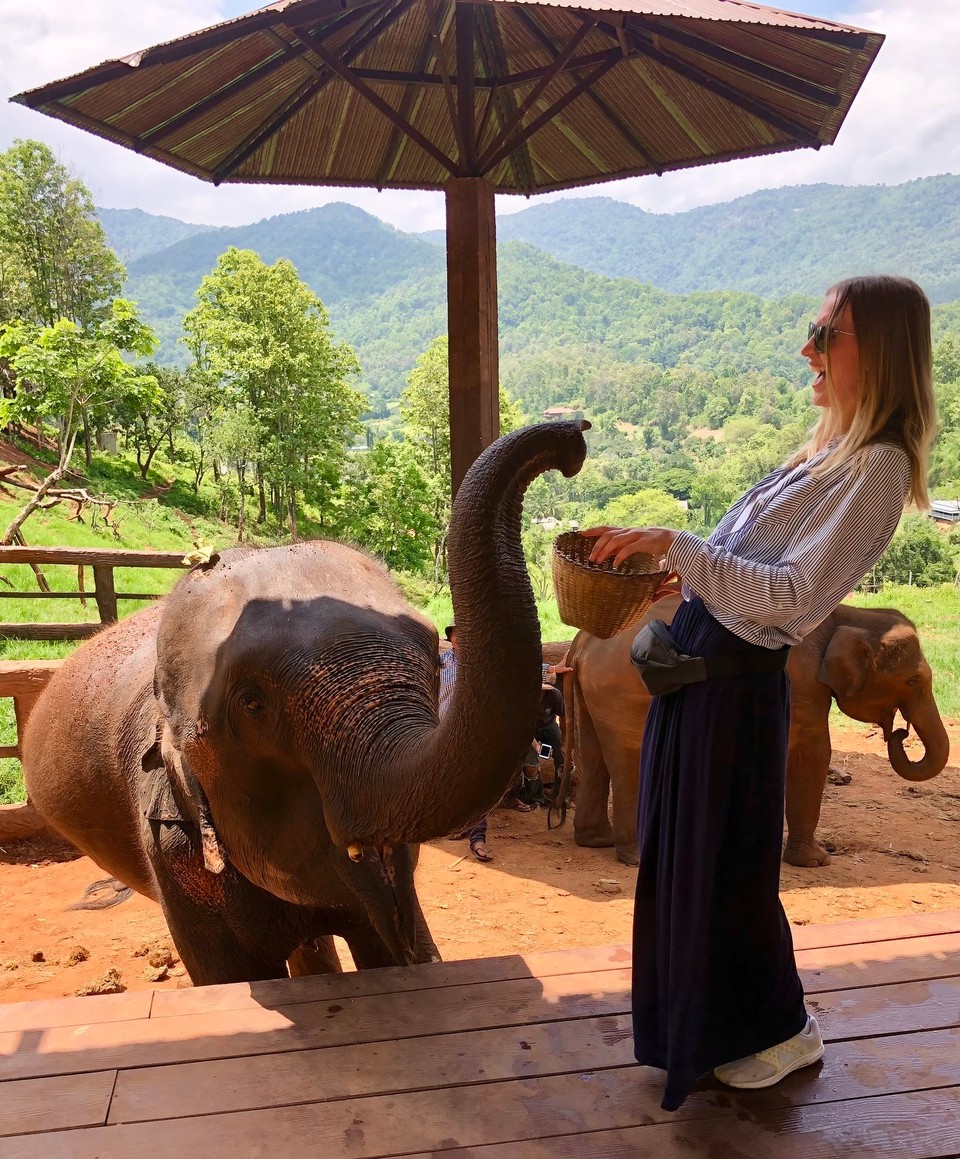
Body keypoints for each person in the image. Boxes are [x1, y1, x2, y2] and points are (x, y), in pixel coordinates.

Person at [585, 275, 937, 1111]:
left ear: (878, 352)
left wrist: (683, 544)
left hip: (737, 694)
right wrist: (675, 563)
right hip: (698, 680)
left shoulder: (878, 469)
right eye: (813, 329)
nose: (807, 348)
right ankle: (698, 1031)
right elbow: (744, 570)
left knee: (731, 874)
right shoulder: (825, 453)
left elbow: (789, 598)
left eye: (827, 333)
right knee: (687, 864)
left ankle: (777, 1029)